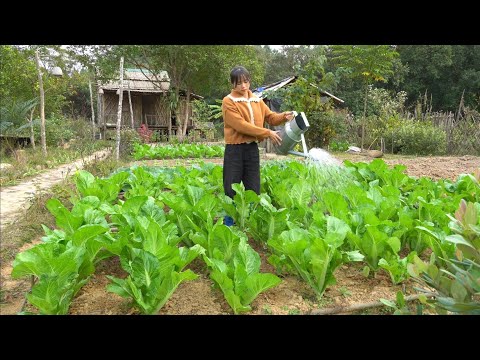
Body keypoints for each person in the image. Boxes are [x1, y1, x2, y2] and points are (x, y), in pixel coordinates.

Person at [222, 65, 294, 226]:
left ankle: (250, 222)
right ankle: (229, 222)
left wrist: (284, 116)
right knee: (231, 186)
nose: (244, 86)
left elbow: (270, 117)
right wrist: (266, 133)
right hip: (235, 149)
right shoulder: (229, 101)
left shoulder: (256, 100)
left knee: (253, 186)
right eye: (239, 83)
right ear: (232, 84)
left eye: (246, 82)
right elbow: (240, 125)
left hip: (251, 149)